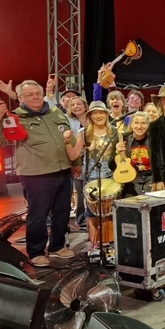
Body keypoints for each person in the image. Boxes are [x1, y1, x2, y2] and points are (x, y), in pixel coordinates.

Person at [0, 80, 77, 267]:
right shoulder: (14, 117)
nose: (35, 97)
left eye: (37, 93)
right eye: (29, 95)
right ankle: (36, 252)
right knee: (38, 215)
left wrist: (75, 163)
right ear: (20, 98)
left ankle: (57, 246)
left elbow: (70, 138)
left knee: (62, 212)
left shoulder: (55, 112)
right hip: (36, 175)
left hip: (63, 171)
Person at [65, 101, 118, 252]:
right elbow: (74, 154)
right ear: (90, 115)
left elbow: (121, 155)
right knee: (92, 213)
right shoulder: (84, 132)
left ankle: (108, 243)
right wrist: (67, 142)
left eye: (101, 112)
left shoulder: (114, 131)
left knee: (108, 212)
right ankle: (95, 244)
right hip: (91, 176)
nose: (98, 115)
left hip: (111, 176)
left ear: (106, 115)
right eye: (95, 113)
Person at [111, 111, 153, 197]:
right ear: (131, 124)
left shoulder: (153, 139)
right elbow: (111, 166)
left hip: (151, 177)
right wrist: (117, 153)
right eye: (136, 123)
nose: (139, 126)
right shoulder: (122, 138)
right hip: (131, 179)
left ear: (148, 125)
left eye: (143, 123)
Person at [67, 96, 89, 230]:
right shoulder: (68, 120)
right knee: (80, 192)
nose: (76, 106)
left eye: (79, 104)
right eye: (73, 104)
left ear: (85, 106)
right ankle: (81, 219)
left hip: (92, 159)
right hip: (76, 160)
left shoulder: (92, 118)